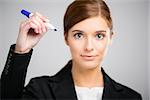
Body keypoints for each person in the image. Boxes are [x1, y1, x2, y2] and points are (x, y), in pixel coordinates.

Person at [1, 0, 142, 100]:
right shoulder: (40, 91)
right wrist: (21, 51)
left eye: (99, 36)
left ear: (110, 38)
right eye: (79, 35)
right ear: (66, 38)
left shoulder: (131, 97)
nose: (89, 47)